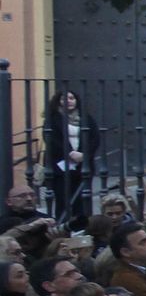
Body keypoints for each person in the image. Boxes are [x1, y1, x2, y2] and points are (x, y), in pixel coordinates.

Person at [42, 89, 100, 224]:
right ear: (58, 101)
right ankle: (63, 228)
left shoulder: (86, 118)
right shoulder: (52, 119)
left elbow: (95, 138)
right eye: (64, 98)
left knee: (82, 200)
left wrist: (84, 154)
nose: (68, 101)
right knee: (63, 200)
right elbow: (51, 139)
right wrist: (69, 153)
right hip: (60, 166)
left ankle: (82, 230)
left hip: (82, 165)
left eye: (71, 98)